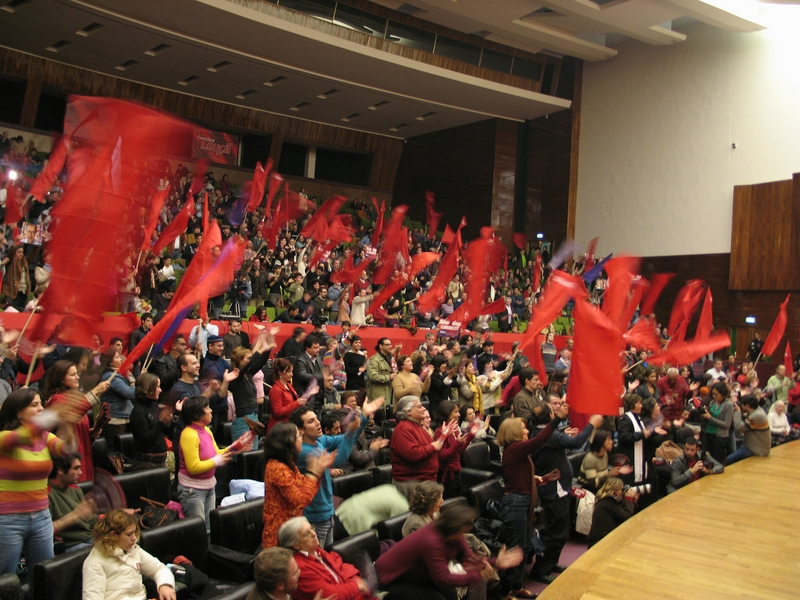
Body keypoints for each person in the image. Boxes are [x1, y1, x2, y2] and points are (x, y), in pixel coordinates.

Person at [376, 499, 522, 600]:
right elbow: (443, 579)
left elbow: (468, 557)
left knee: (451, 594)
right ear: (456, 526)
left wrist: (496, 562)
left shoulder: (453, 534)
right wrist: (477, 576)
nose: (468, 530)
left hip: (415, 574)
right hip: (391, 578)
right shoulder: (431, 541)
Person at [496, 403, 568, 599]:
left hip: (522, 503)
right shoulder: (514, 448)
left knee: (525, 548)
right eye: (523, 428)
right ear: (514, 433)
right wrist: (558, 418)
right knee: (516, 551)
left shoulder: (516, 451)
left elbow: (517, 474)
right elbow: (540, 440)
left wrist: (536, 479)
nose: (527, 431)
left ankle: (517, 586)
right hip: (515, 505)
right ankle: (504, 593)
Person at [0, 389, 75, 575]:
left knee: (44, 575)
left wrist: (66, 421)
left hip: (41, 516)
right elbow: (23, 436)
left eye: (41, 404)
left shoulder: (45, 436)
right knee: (6, 578)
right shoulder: (4, 437)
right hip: (8, 519)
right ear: (19, 411)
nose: (41, 408)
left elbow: (67, 449)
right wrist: (55, 413)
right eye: (35, 405)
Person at [292, 397, 383, 547]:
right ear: (301, 430)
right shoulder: (304, 452)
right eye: (311, 421)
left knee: (329, 554)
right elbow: (340, 458)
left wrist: (363, 419)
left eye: (316, 419)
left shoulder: (319, 440)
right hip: (315, 516)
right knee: (317, 557)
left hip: (328, 511)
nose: (318, 423)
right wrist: (352, 431)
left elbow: (343, 439)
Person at [530, 401, 604, 585]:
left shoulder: (539, 432)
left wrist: (564, 435)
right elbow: (578, 442)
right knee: (556, 531)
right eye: (553, 410)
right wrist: (591, 424)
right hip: (554, 489)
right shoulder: (549, 435)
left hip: (557, 488)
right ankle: (541, 570)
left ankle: (551, 562)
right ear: (550, 416)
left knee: (558, 528)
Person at [177, 394, 245, 534]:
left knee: (209, 530)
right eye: (207, 408)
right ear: (198, 414)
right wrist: (217, 461)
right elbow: (193, 467)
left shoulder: (206, 430)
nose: (211, 410)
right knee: (198, 532)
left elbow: (216, 453)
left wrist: (235, 447)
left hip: (209, 487)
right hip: (193, 491)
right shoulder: (188, 434)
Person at [261, 422, 334, 549]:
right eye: (299, 435)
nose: (302, 437)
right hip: (281, 540)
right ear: (289, 442)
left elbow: (305, 486)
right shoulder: (277, 468)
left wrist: (318, 471)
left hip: (294, 532)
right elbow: (300, 501)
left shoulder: (288, 464)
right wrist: (313, 474)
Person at [82, 509, 176, 600]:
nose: (134, 538)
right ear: (113, 535)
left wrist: (165, 585)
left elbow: (158, 569)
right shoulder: (94, 563)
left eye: (134, 532)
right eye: (129, 534)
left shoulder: (133, 550)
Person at [41, 360, 110, 483]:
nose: (78, 377)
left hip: (83, 457)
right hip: (67, 462)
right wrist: (95, 391)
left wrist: (90, 435)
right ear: (61, 379)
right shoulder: (57, 399)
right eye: (73, 375)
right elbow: (73, 413)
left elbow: (75, 427)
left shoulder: (72, 398)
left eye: (77, 373)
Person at [278, 516, 377, 600]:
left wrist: (355, 584)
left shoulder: (319, 551)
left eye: (312, 529)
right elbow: (331, 595)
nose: (314, 534)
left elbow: (347, 569)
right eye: (306, 534)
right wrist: (356, 586)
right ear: (295, 545)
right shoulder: (299, 568)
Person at [390, 395, 454, 499]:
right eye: (419, 406)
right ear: (408, 412)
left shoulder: (417, 426)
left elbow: (434, 447)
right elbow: (413, 454)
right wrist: (432, 446)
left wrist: (444, 436)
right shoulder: (403, 429)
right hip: (412, 486)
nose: (424, 408)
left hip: (424, 483)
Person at [228, 331, 274, 450]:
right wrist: (261, 348)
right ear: (240, 360)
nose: (250, 359)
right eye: (247, 358)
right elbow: (251, 362)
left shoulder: (248, 374)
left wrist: (267, 348)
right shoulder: (236, 375)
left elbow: (261, 362)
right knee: (243, 456)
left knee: (253, 455)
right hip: (243, 421)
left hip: (253, 417)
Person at [48, 453, 97, 551]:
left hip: (90, 539)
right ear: (60, 470)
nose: (80, 472)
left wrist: (115, 516)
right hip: (71, 546)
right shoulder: (46, 494)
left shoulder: (75, 489)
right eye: (76, 468)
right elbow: (45, 531)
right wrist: (75, 515)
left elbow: (91, 521)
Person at [129, 373, 175, 469]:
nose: (160, 390)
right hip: (146, 464)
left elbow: (166, 431)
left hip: (161, 462)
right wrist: (161, 422)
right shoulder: (138, 411)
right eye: (158, 387)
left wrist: (172, 418)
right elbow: (145, 439)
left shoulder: (154, 406)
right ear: (148, 389)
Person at [432, 400, 477, 498]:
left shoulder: (454, 430)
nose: (459, 414)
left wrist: (470, 436)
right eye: (456, 412)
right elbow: (441, 456)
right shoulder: (440, 432)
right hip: (447, 476)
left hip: (456, 472)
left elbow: (458, 451)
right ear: (447, 413)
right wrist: (457, 443)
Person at [336, 484, 409, 537]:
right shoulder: (402, 505)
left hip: (343, 510)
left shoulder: (390, 487)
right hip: (353, 522)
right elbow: (393, 533)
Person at [586, 478, 638, 549]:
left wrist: (632, 503)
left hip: (601, 541)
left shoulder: (606, 500)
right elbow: (626, 518)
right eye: (621, 489)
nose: (623, 492)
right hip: (600, 543)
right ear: (615, 490)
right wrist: (628, 499)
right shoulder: (608, 501)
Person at [267, 358, 315, 433]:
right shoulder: (275, 390)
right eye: (288, 372)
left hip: (288, 425)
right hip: (279, 429)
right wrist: (297, 403)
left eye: (291, 371)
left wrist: (308, 394)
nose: (292, 374)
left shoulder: (288, 385)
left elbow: (297, 400)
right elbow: (277, 412)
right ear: (280, 372)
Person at [98, 348, 136, 442]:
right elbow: (129, 393)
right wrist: (135, 383)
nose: (120, 359)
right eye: (117, 357)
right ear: (110, 362)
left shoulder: (117, 374)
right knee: (114, 448)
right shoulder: (110, 376)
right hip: (114, 420)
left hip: (121, 417)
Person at [579, 429, 632, 493]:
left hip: (602, 486)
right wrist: (610, 474)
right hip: (589, 490)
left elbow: (604, 472)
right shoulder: (590, 459)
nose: (612, 442)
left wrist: (618, 470)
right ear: (601, 442)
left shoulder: (605, 454)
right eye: (609, 440)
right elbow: (593, 483)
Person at [727, 394, 771, 464]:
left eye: (741, 404)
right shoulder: (758, 409)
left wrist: (737, 411)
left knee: (729, 459)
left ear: (747, 405)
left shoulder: (757, 415)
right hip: (753, 445)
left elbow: (739, 427)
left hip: (756, 449)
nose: (740, 406)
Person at [701, 382, 734, 464]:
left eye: (716, 394)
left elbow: (727, 425)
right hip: (708, 433)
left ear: (723, 394)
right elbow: (709, 415)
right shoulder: (712, 402)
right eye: (713, 394)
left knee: (716, 460)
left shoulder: (728, 405)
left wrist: (710, 418)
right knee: (705, 458)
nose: (714, 396)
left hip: (719, 437)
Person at [367, 338, 395, 405]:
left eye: (390, 344)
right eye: (387, 345)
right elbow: (373, 376)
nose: (390, 346)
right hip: (379, 393)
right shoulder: (374, 359)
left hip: (390, 392)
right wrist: (389, 377)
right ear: (381, 346)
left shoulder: (391, 358)